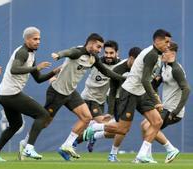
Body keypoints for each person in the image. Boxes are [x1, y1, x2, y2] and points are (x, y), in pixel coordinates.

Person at [22, 33, 124, 160]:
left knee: (86, 117)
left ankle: (67, 145)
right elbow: (69, 52)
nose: (99, 50)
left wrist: (122, 78)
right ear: (91, 44)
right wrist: (58, 55)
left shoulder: (93, 58)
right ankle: (26, 144)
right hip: (57, 92)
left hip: (71, 92)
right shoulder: (78, 52)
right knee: (45, 121)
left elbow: (107, 71)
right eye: (98, 47)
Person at [84, 29, 172, 163]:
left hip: (139, 93)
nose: (168, 45)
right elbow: (140, 82)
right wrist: (156, 100)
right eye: (166, 42)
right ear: (157, 41)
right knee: (122, 129)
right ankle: (95, 128)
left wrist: (154, 95)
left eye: (169, 42)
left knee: (156, 122)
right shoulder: (149, 56)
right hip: (127, 94)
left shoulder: (156, 55)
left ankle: (144, 155)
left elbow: (146, 81)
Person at [0, 27, 58, 161]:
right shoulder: (23, 52)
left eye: (39, 39)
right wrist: (36, 67)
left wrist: (54, 72)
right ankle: (29, 148)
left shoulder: (31, 54)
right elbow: (15, 69)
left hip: (5, 94)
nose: (38, 41)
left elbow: (38, 79)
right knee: (43, 115)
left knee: (15, 125)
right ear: (26, 40)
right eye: (35, 39)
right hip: (10, 94)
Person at [140, 42, 190, 163]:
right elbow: (155, 84)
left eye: (165, 51)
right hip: (165, 107)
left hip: (173, 111)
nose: (162, 53)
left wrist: (176, 111)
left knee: (148, 126)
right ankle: (148, 156)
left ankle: (171, 149)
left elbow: (187, 89)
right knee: (144, 125)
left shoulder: (176, 69)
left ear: (172, 53)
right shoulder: (164, 66)